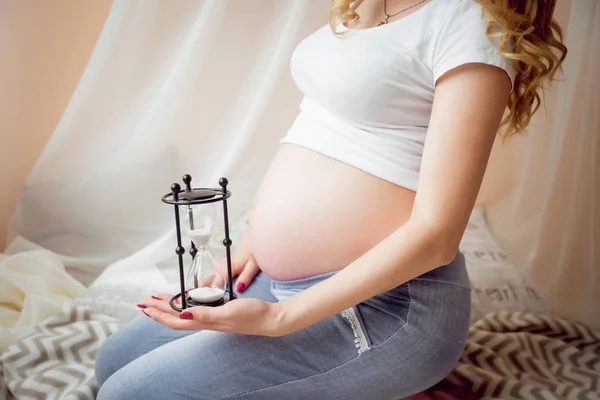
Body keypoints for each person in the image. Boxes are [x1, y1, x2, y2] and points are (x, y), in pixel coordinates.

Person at [95, 0, 567, 398]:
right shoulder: (368, 3)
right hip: (280, 282)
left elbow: (437, 235)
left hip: (386, 307)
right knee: (111, 363)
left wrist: (280, 319)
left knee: (128, 394)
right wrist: (261, 244)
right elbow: (328, 126)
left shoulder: (467, 22)